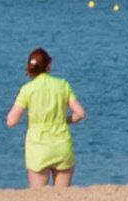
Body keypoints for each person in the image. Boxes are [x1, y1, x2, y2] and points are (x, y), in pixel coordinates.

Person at [5, 47, 85, 189]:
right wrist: (64, 120)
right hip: (62, 146)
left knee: (39, 198)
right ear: (49, 65)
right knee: (63, 196)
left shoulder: (27, 89)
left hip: (38, 148)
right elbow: (80, 114)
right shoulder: (62, 85)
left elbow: (11, 121)